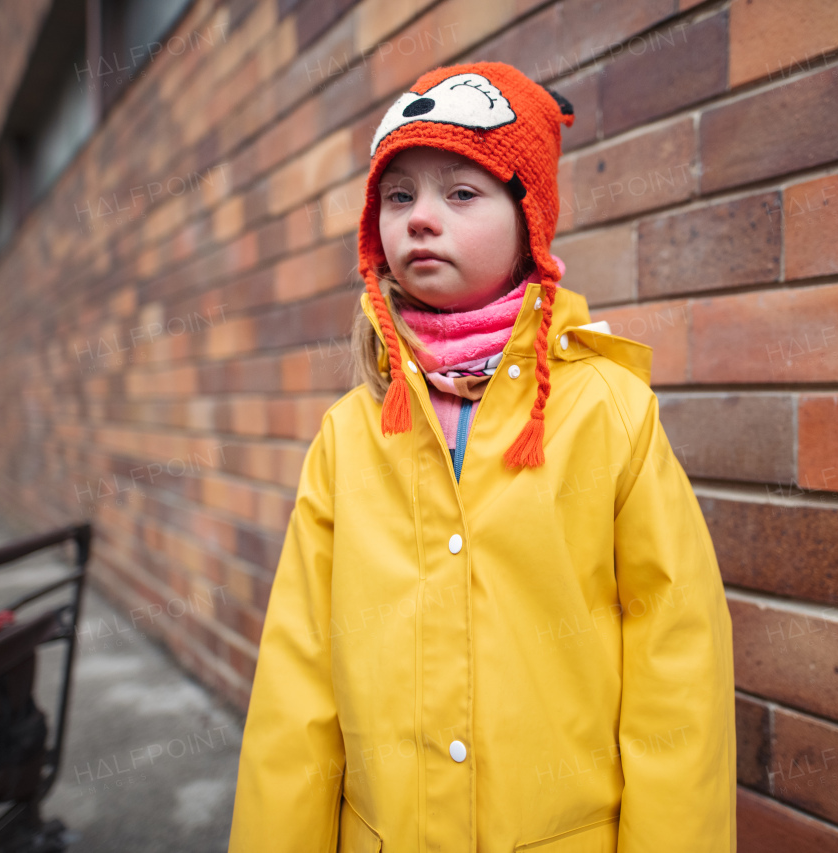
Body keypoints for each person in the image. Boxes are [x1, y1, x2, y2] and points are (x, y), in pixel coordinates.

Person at [228, 61, 736, 852]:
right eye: (399, 197)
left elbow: (679, 666)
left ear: (527, 218)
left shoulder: (609, 412)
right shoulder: (349, 435)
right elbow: (297, 677)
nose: (420, 219)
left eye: (460, 193)